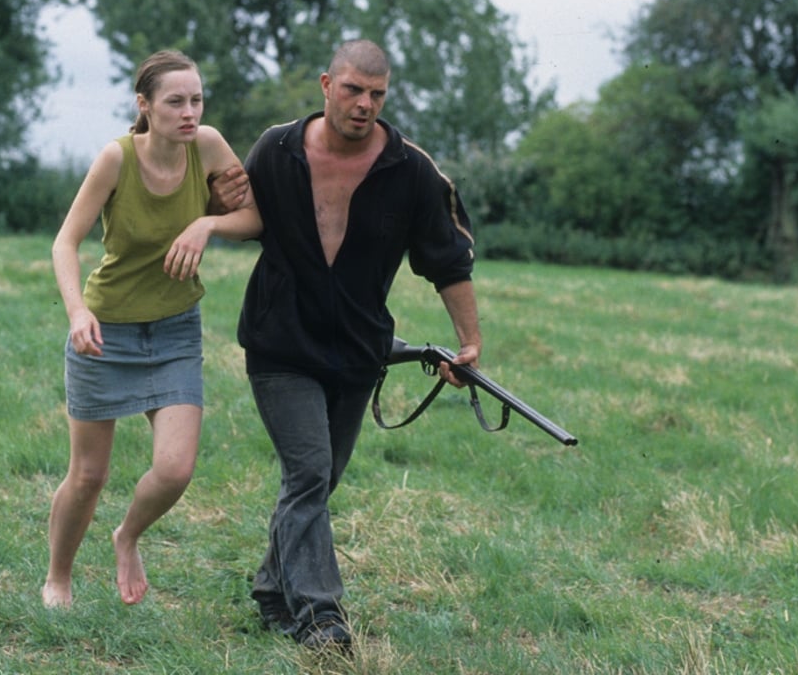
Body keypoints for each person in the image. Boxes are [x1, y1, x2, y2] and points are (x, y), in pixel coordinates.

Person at [209, 39, 482, 649]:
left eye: (377, 94)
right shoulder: (276, 149)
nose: (365, 104)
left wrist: (469, 343)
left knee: (320, 478)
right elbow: (236, 210)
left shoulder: (411, 170)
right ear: (327, 85)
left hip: (359, 351)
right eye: (354, 89)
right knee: (308, 471)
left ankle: (272, 588)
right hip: (281, 343)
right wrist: (209, 210)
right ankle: (321, 618)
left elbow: (448, 261)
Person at [43, 49, 253, 609]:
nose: (190, 112)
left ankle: (128, 536)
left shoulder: (208, 146)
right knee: (88, 476)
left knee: (175, 469)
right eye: (175, 102)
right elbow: (65, 242)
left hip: (175, 330)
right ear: (145, 105)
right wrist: (77, 313)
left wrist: (207, 223)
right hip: (105, 332)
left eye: (197, 100)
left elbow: (255, 217)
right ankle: (58, 578)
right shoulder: (116, 159)